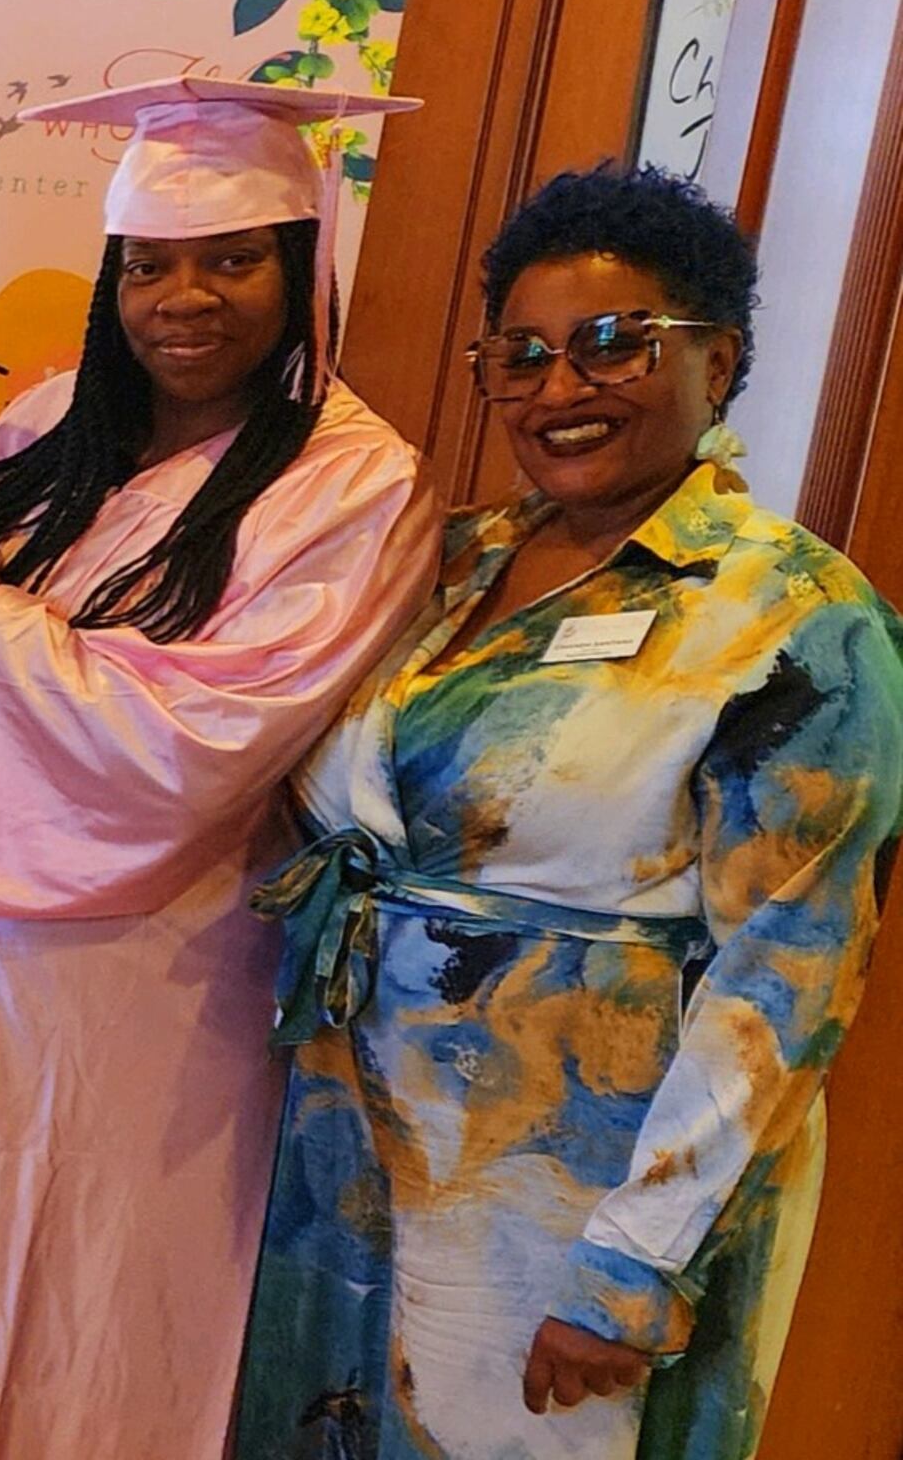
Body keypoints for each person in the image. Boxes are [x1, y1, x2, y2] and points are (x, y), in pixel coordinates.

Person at [0, 80, 441, 1460]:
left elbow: (198, 742)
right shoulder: (58, 428)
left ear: (302, 272)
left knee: (76, 1311)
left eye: (231, 261)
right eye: (151, 265)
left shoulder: (353, 483)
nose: (184, 299)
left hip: (128, 991)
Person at [236, 164, 903, 1460]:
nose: (559, 388)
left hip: (565, 1200)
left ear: (724, 356)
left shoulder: (797, 618)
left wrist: (633, 1269)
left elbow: (787, 981)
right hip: (346, 1165)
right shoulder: (445, 560)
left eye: (613, 345)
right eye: (521, 355)